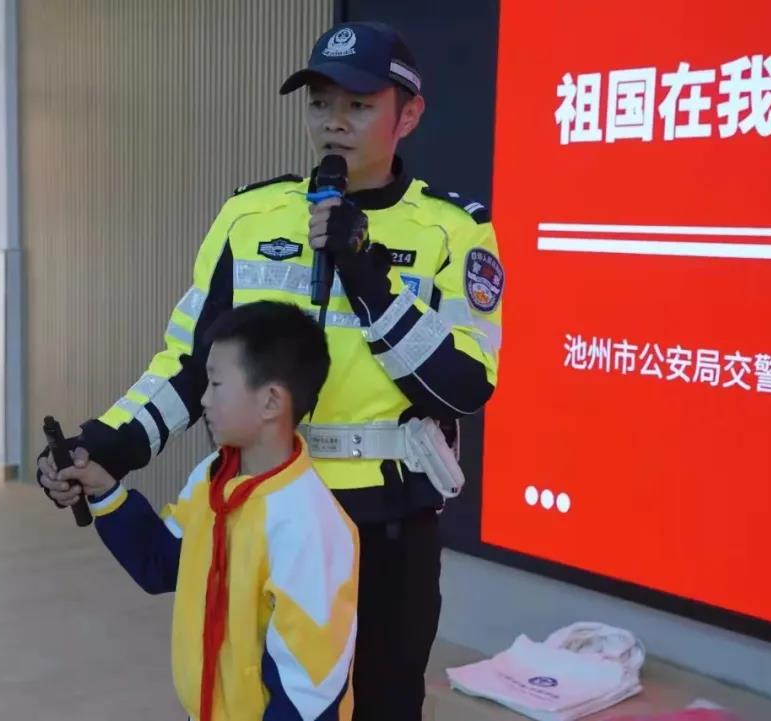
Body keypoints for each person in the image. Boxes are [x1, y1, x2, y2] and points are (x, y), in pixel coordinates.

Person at [38, 21, 503, 721]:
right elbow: (190, 364)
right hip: (257, 500)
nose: (333, 123)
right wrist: (107, 445)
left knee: (380, 702)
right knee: (247, 690)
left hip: (385, 518)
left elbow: (464, 384)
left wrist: (366, 275)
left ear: (408, 115)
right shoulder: (249, 215)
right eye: (319, 103)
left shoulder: (454, 229)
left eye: (358, 105)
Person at [61, 301, 358, 721]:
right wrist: (103, 490)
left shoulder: (312, 527)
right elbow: (161, 562)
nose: (202, 400)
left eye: (216, 384)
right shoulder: (212, 477)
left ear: (271, 401)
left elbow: (308, 694)